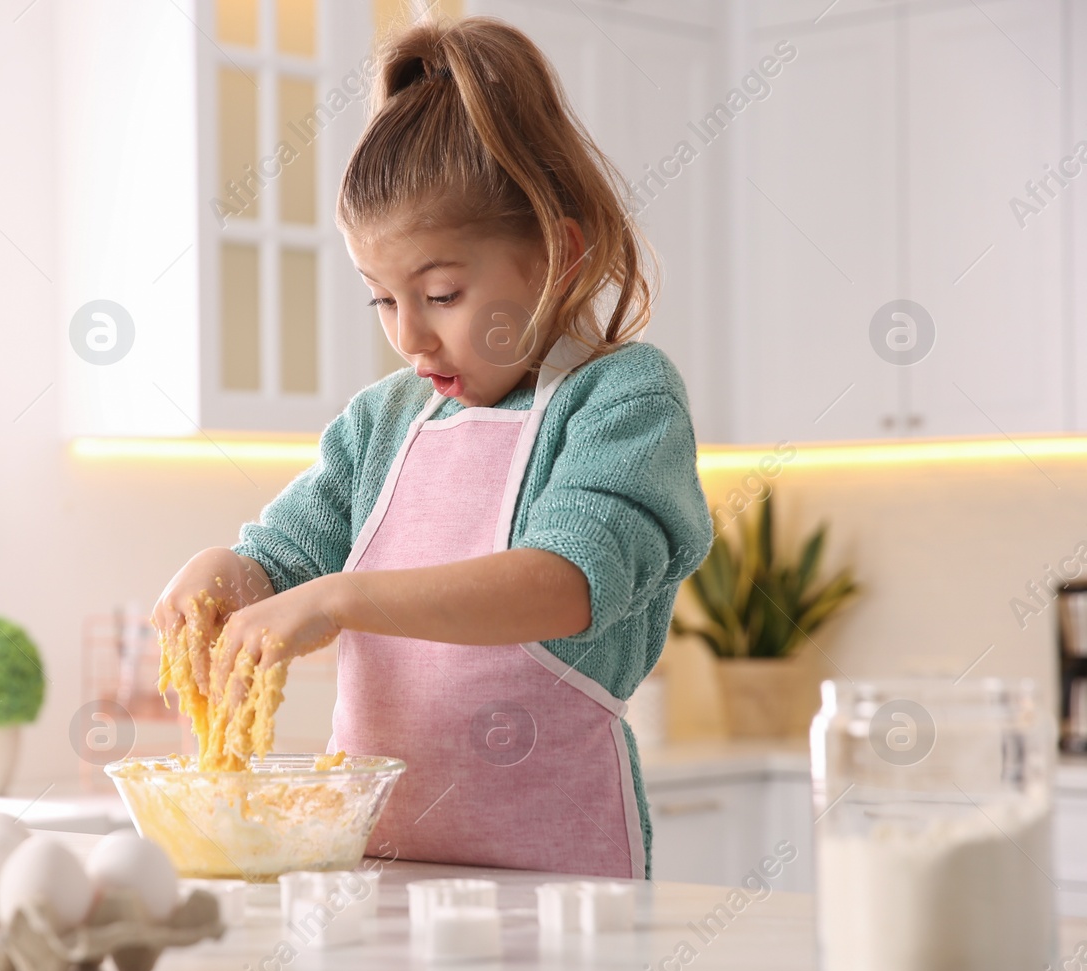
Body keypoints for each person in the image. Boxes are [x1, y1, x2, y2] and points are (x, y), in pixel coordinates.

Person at [152, 13, 713, 878]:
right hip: (376, 870)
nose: (410, 336)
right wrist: (223, 571)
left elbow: (562, 582)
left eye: (442, 293)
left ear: (558, 257)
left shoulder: (622, 401)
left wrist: (339, 601)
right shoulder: (382, 423)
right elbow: (279, 558)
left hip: (562, 886)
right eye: (381, 299)